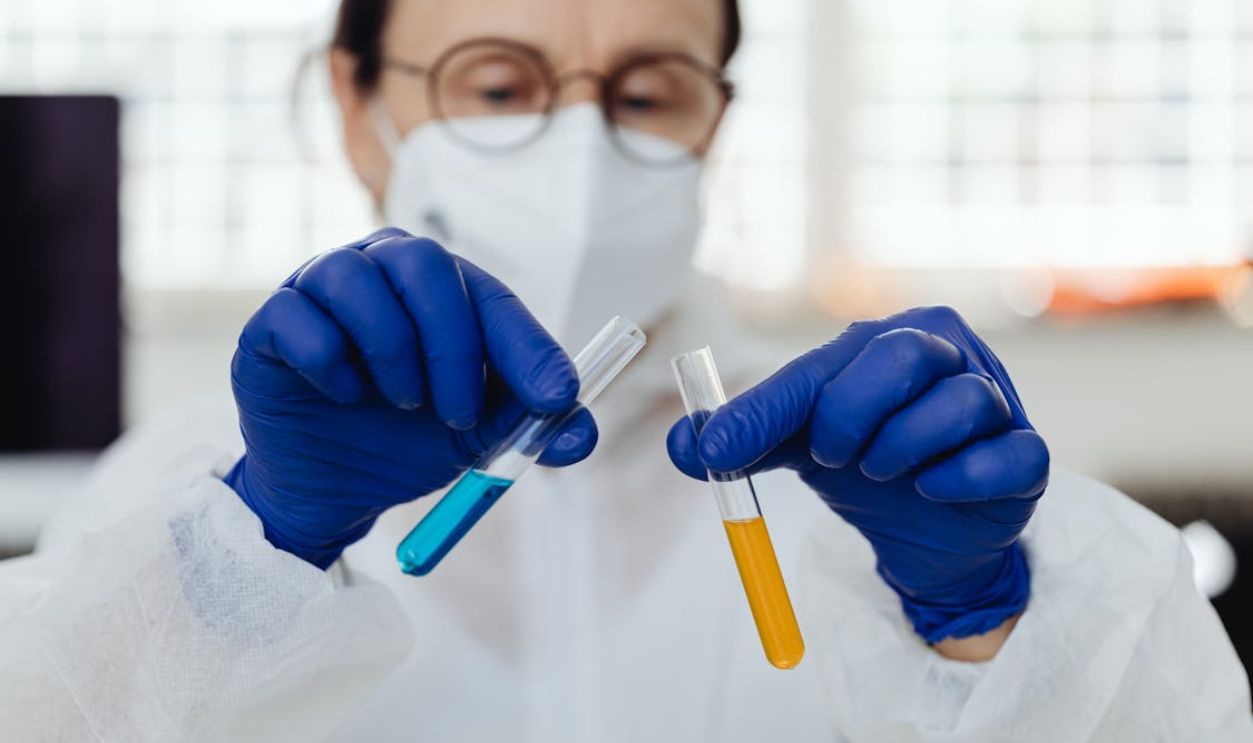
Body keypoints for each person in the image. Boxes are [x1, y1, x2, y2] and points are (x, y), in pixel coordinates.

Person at [1, 0, 1250, 740]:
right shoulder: (196, 481)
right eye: (497, 84)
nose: (582, 156)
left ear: (716, 117)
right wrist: (254, 554)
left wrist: (983, 620)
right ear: (353, 103)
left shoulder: (879, 459)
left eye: (648, 93)